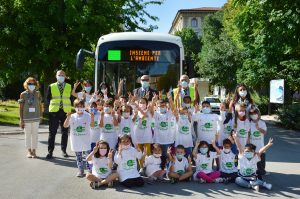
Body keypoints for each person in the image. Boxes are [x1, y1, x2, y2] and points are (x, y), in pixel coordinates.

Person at [63, 99, 93, 177]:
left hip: (86, 140)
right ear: (75, 107)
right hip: (76, 140)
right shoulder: (72, 116)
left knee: (88, 157)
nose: (79, 108)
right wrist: (68, 117)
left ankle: (90, 170)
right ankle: (81, 170)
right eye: (77, 106)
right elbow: (65, 125)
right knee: (79, 157)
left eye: (81, 106)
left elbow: (92, 125)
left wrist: (92, 117)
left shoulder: (87, 115)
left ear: (84, 107)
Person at [46, 70, 72, 159]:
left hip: (65, 112)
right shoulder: (51, 86)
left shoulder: (69, 86)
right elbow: (47, 98)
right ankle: (50, 151)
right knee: (52, 133)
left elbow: (71, 98)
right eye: (59, 75)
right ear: (56, 76)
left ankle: (64, 150)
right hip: (54, 112)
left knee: (65, 132)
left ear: (65, 76)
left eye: (62, 75)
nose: (61, 76)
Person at [18, 77, 42, 158]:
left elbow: (40, 105)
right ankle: (29, 151)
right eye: (29, 84)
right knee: (27, 135)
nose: (31, 85)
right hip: (26, 118)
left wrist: (41, 115)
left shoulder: (38, 93)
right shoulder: (23, 94)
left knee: (35, 135)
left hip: (36, 117)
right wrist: (21, 119)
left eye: (33, 84)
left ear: (36, 85)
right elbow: (21, 108)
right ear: (26, 84)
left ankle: (34, 151)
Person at [249, 107, 268, 175]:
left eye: (255, 113)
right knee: (251, 159)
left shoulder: (262, 122)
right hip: (252, 145)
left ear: (258, 114)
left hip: (260, 145)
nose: (253, 115)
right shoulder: (249, 123)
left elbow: (264, 132)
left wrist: (258, 128)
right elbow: (248, 134)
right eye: (251, 113)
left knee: (261, 159)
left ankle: (262, 171)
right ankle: (252, 171)